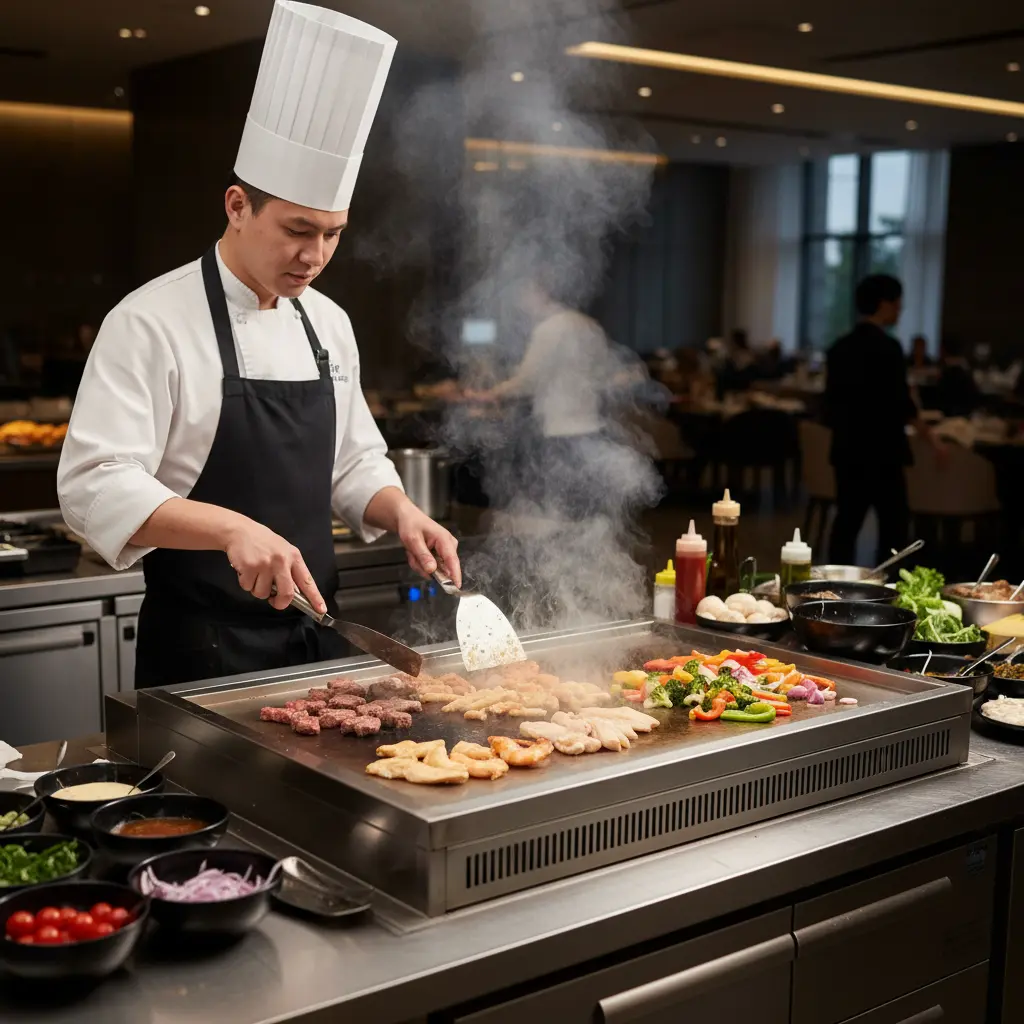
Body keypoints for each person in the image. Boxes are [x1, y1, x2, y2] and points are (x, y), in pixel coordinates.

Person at [57, 2, 459, 687]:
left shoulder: (327, 321)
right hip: (201, 647)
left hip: (319, 634)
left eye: (334, 234)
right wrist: (228, 529)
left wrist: (402, 512)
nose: (317, 255)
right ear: (237, 206)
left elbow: (352, 461)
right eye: (299, 230)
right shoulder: (149, 320)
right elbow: (94, 486)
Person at [824, 275, 941, 566]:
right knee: (893, 527)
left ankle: (833, 589)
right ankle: (886, 589)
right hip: (883, 452)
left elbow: (830, 405)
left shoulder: (839, 348)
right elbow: (903, 404)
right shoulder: (889, 348)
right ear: (884, 304)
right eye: (898, 303)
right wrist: (932, 438)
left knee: (846, 523)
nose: (900, 309)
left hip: (848, 449)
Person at [932, 335, 981, 419]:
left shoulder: (948, 373)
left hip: (948, 417)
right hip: (967, 416)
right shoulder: (966, 369)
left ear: (943, 350)